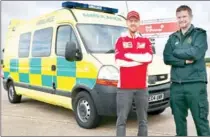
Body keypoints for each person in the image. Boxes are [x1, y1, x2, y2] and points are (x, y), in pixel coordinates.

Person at [163, 5, 210, 136]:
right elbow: (167, 57)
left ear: (190, 17)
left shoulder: (199, 34)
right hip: (176, 86)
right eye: (179, 17)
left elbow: (195, 53)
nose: (182, 19)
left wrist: (176, 52)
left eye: (184, 16)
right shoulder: (173, 38)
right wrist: (183, 61)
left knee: (201, 123)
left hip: (195, 84)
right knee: (179, 125)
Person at [115, 10, 153, 136]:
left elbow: (149, 58)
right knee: (121, 120)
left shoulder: (146, 41)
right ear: (127, 22)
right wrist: (139, 60)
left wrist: (128, 55)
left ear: (139, 23)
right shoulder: (120, 40)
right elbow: (120, 61)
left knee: (143, 121)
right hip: (124, 88)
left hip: (142, 87)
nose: (133, 23)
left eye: (135, 21)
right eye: (130, 21)